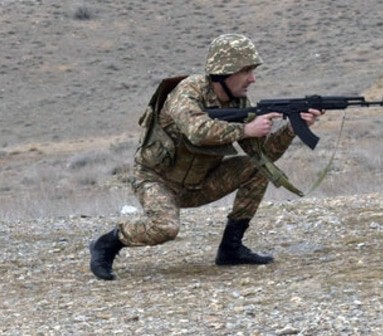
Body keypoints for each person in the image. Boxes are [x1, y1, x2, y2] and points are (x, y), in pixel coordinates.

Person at [89, 34, 322, 280]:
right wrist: (245, 129)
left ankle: (231, 248)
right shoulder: (188, 91)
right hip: (156, 180)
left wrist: (292, 129)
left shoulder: (240, 103)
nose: (252, 79)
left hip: (199, 184)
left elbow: (263, 156)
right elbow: (197, 131)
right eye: (246, 71)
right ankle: (107, 243)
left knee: (256, 169)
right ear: (224, 72)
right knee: (166, 228)